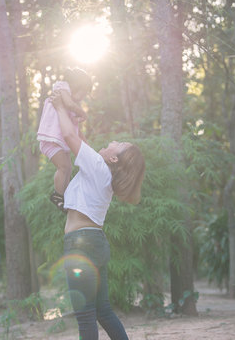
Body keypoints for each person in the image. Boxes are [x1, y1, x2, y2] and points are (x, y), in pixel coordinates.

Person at [49, 91, 145, 340]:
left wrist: (59, 107)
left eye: (118, 144)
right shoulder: (103, 176)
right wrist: (74, 114)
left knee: (85, 315)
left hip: (81, 246)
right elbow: (77, 136)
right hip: (96, 243)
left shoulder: (98, 166)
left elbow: (70, 137)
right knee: (102, 310)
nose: (113, 141)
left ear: (113, 157)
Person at [37, 68, 93, 212]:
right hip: (50, 139)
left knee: (67, 168)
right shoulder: (62, 87)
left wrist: (89, 150)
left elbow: (77, 131)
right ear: (77, 85)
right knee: (64, 167)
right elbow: (69, 104)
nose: (83, 97)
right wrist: (83, 113)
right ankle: (58, 196)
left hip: (59, 141)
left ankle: (66, 196)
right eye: (84, 93)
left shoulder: (70, 104)